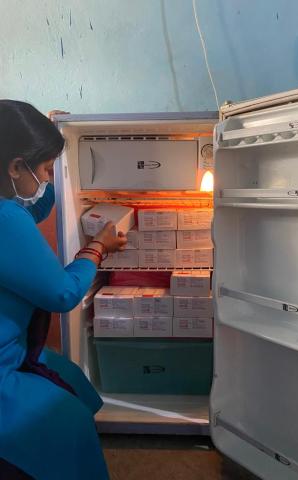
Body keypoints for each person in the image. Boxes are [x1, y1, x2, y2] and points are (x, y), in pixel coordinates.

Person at [0, 100, 126, 479]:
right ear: (16, 166)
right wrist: (97, 247)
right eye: (44, 169)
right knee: (68, 421)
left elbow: (33, 209)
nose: (49, 179)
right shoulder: (5, 218)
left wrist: (56, 131)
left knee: (71, 377)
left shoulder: (10, 207)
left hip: (12, 348)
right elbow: (63, 293)